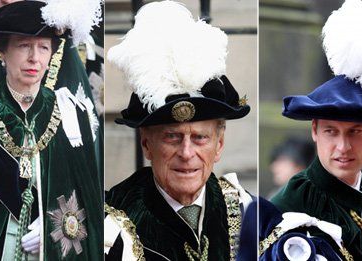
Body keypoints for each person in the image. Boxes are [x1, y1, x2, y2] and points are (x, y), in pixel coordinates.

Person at [103, 1, 254, 260]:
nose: (186, 153)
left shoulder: (248, 212)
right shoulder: (110, 228)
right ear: (147, 145)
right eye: (172, 137)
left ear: (219, 145)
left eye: (200, 138)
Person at [0, 1, 103, 260]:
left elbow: (87, 194)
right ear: (3, 52)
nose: (34, 58)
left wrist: (56, 229)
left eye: (44, 48)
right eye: (23, 46)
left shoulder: (69, 112)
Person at [267, 0, 362, 260]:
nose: (343, 147)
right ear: (314, 131)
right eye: (331, 132)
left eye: (355, 132)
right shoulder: (287, 207)